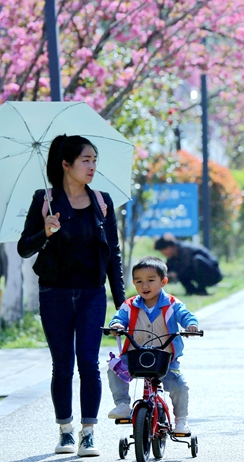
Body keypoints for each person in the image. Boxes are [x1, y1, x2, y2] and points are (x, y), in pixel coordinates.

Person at [17, 135, 127, 456]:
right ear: (66, 164)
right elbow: (25, 248)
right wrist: (45, 232)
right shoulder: (45, 200)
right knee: (62, 365)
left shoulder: (102, 202)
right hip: (54, 294)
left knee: (89, 364)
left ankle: (88, 432)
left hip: (93, 294)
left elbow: (114, 257)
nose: (92, 166)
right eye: (86, 160)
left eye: (95, 160)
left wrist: (122, 307)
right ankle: (65, 430)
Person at [106, 256, 200, 435]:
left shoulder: (172, 304)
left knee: (179, 385)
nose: (144, 286)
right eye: (139, 281)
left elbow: (186, 315)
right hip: (134, 356)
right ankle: (123, 404)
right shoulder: (130, 304)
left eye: (150, 280)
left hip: (165, 358)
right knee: (113, 369)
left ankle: (181, 420)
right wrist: (116, 325)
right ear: (133, 283)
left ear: (163, 281)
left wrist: (191, 325)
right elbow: (119, 318)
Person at [153, 234, 222, 296]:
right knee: (179, 271)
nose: (163, 253)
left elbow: (185, 267)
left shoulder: (185, 249)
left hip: (213, 274)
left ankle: (201, 289)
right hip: (197, 273)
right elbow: (167, 270)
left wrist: (174, 274)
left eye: (163, 250)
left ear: (170, 247)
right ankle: (191, 290)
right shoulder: (173, 257)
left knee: (196, 261)